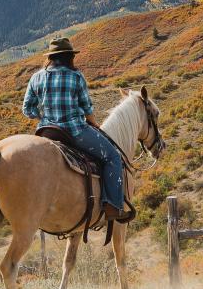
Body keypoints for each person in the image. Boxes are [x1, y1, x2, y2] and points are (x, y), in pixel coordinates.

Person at [23, 37, 132, 222]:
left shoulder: (36, 77)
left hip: (46, 131)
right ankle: (113, 206)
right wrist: (94, 124)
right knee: (113, 156)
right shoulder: (76, 76)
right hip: (74, 131)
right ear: (69, 57)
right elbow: (87, 108)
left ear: (51, 57)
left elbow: (27, 109)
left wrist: (43, 116)